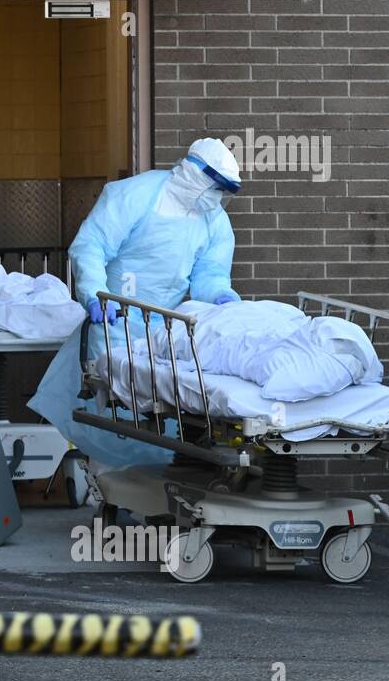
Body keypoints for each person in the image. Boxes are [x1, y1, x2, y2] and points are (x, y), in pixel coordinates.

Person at [28, 138, 242, 469]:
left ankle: (149, 491)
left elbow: (210, 274)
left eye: (223, 190)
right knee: (112, 411)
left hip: (162, 328)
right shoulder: (133, 196)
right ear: (193, 173)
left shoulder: (212, 219)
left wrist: (221, 296)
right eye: (215, 186)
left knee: (158, 412)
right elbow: (91, 246)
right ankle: (111, 483)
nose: (216, 196)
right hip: (113, 320)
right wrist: (95, 294)